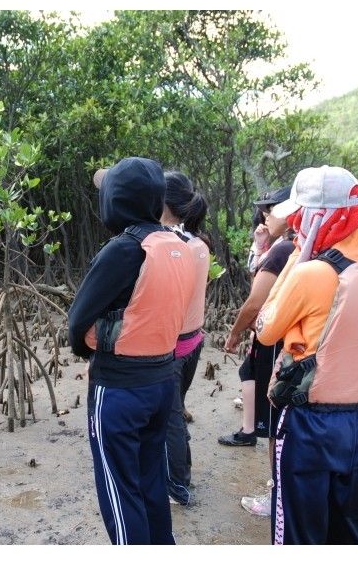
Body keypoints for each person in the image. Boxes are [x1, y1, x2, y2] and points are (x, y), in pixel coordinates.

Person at [255, 166, 358, 544]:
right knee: (354, 528)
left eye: (300, 216)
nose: (295, 224)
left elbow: (265, 330)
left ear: (318, 216)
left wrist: (297, 258)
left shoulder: (313, 273)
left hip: (313, 424)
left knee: (299, 532)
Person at [68, 157, 196, 544]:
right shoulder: (181, 245)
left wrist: (87, 348)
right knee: (150, 482)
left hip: (120, 390)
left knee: (120, 493)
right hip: (160, 383)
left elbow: (77, 321)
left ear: (117, 200)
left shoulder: (124, 249)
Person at [220, 186, 297, 518]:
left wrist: (236, 333)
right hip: (293, 344)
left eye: (272, 210)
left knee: (275, 424)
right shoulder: (296, 248)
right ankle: (284, 490)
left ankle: (277, 497)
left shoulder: (283, 253)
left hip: (275, 344)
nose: (266, 216)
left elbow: (255, 301)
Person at [160, 171, 210, 506]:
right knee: (174, 411)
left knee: (171, 417)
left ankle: (178, 484)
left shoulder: (173, 246)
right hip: (193, 340)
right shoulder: (199, 244)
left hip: (174, 346)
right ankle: (177, 471)